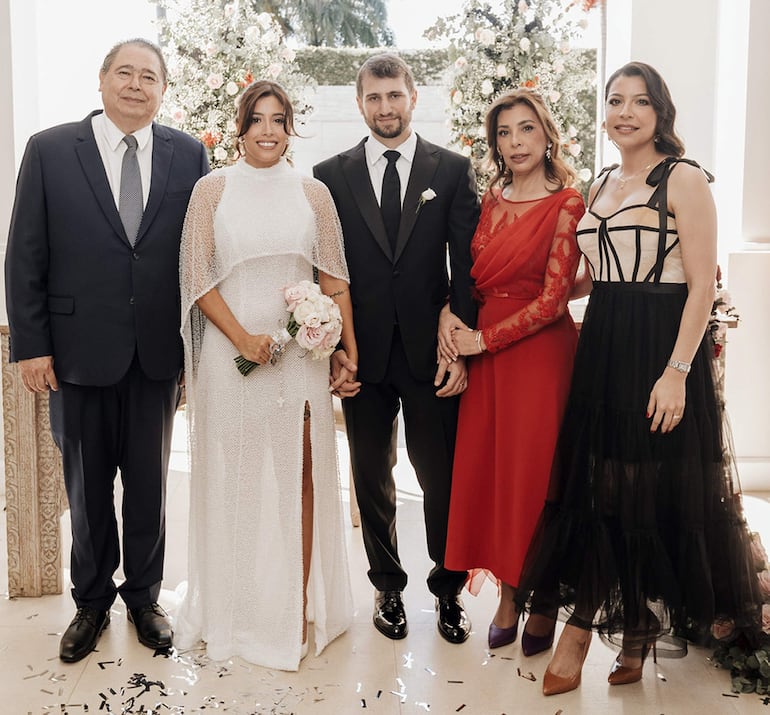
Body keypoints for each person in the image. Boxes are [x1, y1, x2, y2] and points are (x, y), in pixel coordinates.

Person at [514, 61, 761, 696]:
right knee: (601, 484)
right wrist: (523, 296)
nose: (625, 112)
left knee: (639, 490)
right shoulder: (600, 182)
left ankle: (583, 631)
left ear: (660, 113)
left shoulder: (683, 178)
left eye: (640, 102)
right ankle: (635, 629)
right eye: (615, 100)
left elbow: (701, 286)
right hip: (603, 344)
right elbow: (595, 275)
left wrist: (676, 374)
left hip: (659, 348)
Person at [4, 39, 210, 663]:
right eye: (125, 72)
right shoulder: (48, 150)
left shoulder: (188, 154)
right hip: (75, 353)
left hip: (156, 352)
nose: (136, 85)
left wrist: (196, 353)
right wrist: (32, 346)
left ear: (163, 90)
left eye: (149, 76)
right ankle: (90, 602)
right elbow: (25, 254)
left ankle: (144, 598)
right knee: (88, 488)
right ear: (101, 80)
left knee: (149, 485)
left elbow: (198, 257)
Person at [174, 80, 355, 670]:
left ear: (290, 127)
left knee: (299, 475)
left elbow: (334, 278)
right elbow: (197, 278)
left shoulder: (313, 193)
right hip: (231, 358)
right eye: (258, 119)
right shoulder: (212, 189)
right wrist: (242, 338)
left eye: (279, 119)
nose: (269, 130)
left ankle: (296, 605)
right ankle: (240, 602)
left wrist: (345, 347)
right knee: (240, 478)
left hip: (300, 357)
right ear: (241, 127)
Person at [313, 53, 479, 644]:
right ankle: (387, 585)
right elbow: (324, 269)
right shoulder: (329, 176)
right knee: (370, 476)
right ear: (360, 103)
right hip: (362, 355)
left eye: (395, 95)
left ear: (413, 97)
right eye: (374, 97)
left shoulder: (452, 170)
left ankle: (449, 588)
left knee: (440, 476)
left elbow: (467, 267)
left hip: (431, 353)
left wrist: (459, 345)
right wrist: (334, 347)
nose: (385, 107)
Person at [439, 89, 585, 652]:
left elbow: (553, 301)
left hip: (538, 355)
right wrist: (452, 319)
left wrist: (481, 341)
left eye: (527, 129)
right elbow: (472, 278)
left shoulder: (568, 202)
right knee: (494, 475)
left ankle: (541, 598)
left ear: (547, 135)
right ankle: (506, 594)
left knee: (534, 477)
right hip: (486, 353)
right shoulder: (492, 198)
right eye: (504, 132)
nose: (516, 142)